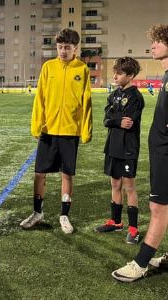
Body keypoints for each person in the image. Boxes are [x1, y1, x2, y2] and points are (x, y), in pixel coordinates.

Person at [20, 28, 92, 234]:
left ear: (75, 48)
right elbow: (40, 97)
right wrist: (37, 124)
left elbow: (86, 102)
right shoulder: (48, 67)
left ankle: (64, 215)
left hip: (71, 131)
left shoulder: (82, 69)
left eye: (67, 47)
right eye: (60, 47)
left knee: (67, 175)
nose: (62, 51)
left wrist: (86, 129)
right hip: (48, 130)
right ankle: (37, 213)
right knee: (39, 173)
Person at [112, 24, 168, 282]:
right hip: (160, 151)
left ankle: (141, 262)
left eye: (158, 41)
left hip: (165, 153)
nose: (152, 45)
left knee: (158, 207)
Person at [95, 57, 145, 245]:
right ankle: (116, 222)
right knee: (115, 184)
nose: (115, 75)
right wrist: (115, 119)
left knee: (129, 187)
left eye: (119, 73)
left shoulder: (135, 97)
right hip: (112, 146)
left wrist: (113, 119)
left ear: (130, 75)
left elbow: (127, 122)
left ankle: (134, 229)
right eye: (115, 72)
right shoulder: (114, 94)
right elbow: (107, 119)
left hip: (128, 148)